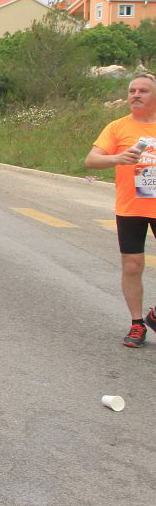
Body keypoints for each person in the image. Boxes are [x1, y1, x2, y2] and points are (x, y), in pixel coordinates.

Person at [87, 74, 156, 347]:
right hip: (131, 207)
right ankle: (137, 324)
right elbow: (91, 160)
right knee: (132, 265)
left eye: (143, 91)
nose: (136, 95)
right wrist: (117, 157)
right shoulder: (117, 127)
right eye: (132, 91)